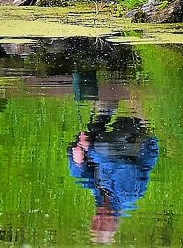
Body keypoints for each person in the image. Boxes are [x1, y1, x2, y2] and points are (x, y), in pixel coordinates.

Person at [68, 100, 160, 243]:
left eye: (95, 223)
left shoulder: (101, 198)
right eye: (103, 224)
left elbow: (84, 178)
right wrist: (90, 149)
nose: (98, 219)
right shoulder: (128, 195)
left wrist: (78, 162)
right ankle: (139, 115)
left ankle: (106, 107)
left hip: (119, 146)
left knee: (83, 150)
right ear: (114, 224)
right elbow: (121, 164)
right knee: (101, 148)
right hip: (138, 144)